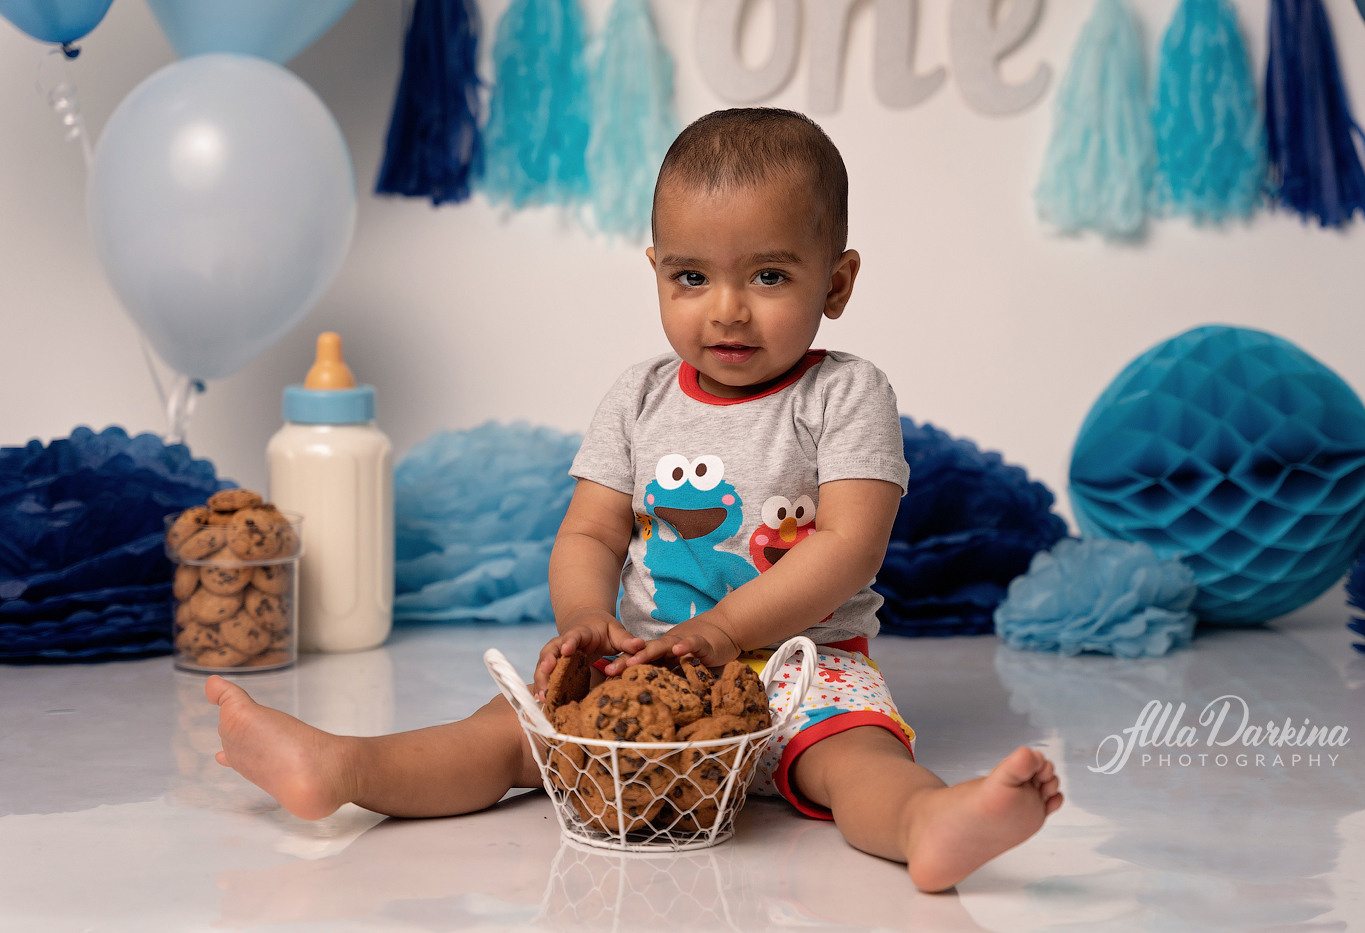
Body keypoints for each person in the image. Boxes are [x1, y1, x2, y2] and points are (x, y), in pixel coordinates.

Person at [205, 108, 1062, 893]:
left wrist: (725, 633)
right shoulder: (639, 397)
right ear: (656, 270)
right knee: (510, 733)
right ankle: (344, 770)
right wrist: (585, 616)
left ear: (835, 284)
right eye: (692, 276)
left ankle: (928, 823)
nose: (726, 310)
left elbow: (850, 544)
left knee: (857, 761)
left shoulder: (845, 394)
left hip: (802, 670)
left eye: (768, 274)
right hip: (646, 666)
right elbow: (591, 530)